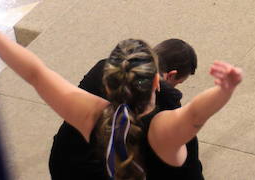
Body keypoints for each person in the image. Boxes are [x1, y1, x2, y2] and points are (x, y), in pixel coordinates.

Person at [0, 27, 240, 177]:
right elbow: (196, 114)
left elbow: (35, 73)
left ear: (107, 83)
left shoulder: (90, 115)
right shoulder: (162, 131)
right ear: (157, 81)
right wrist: (224, 90)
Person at [49, 38, 202, 177]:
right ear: (170, 75)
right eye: (177, 83)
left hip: (63, 159)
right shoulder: (166, 106)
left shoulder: (104, 67)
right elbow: (189, 165)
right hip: (101, 171)